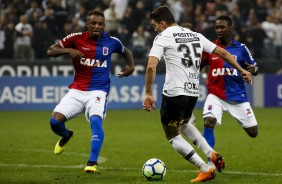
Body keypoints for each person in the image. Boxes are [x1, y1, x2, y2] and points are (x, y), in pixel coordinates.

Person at [142, 6, 252, 182]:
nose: (155, 29)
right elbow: (223, 52)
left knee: (172, 135)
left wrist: (148, 93)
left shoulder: (163, 37)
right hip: (192, 93)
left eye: (156, 25)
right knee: (183, 123)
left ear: (163, 23)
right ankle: (211, 153)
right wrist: (242, 70)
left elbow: (151, 66)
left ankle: (204, 168)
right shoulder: (195, 35)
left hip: (174, 93)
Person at [47, 10, 134, 174]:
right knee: (55, 122)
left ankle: (92, 163)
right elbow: (51, 50)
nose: (97, 26)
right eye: (93, 23)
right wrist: (68, 51)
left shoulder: (111, 42)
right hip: (77, 90)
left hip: (98, 92)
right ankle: (66, 135)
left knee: (96, 122)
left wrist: (130, 66)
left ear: (103, 26)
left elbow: (126, 51)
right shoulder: (76, 38)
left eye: (100, 24)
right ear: (88, 24)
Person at [200, 15, 259, 168]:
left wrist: (253, 69)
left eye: (222, 27)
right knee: (208, 121)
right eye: (217, 27)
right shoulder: (210, 47)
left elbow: (255, 67)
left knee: (253, 132)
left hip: (237, 96)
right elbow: (198, 66)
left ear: (230, 28)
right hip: (215, 94)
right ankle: (210, 163)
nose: (219, 30)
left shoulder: (241, 48)